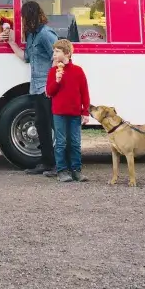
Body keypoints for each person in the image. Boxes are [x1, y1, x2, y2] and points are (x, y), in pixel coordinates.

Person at [8, 1, 58, 174]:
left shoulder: (45, 34)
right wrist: (12, 43)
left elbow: (57, 57)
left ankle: (56, 164)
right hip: (36, 87)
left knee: (52, 125)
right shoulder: (32, 36)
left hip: (46, 88)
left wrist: (52, 84)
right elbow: (27, 57)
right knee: (42, 125)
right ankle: (46, 162)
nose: (23, 21)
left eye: (25, 17)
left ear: (31, 16)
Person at [44, 39, 90, 182]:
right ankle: (62, 170)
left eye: (57, 51)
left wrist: (85, 111)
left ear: (67, 53)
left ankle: (76, 170)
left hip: (75, 112)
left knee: (75, 142)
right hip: (59, 113)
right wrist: (57, 81)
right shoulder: (53, 72)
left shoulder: (78, 71)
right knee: (61, 142)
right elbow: (49, 92)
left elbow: (84, 92)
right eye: (54, 51)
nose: (54, 54)